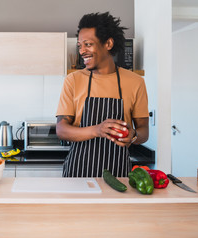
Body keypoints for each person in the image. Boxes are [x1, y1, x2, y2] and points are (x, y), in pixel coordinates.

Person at [56, 12, 149, 177]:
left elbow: (143, 131)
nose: (82, 51)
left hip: (118, 175)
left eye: (88, 44)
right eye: (80, 46)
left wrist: (133, 136)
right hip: (78, 174)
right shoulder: (73, 80)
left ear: (108, 43)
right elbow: (62, 129)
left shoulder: (135, 82)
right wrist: (97, 130)